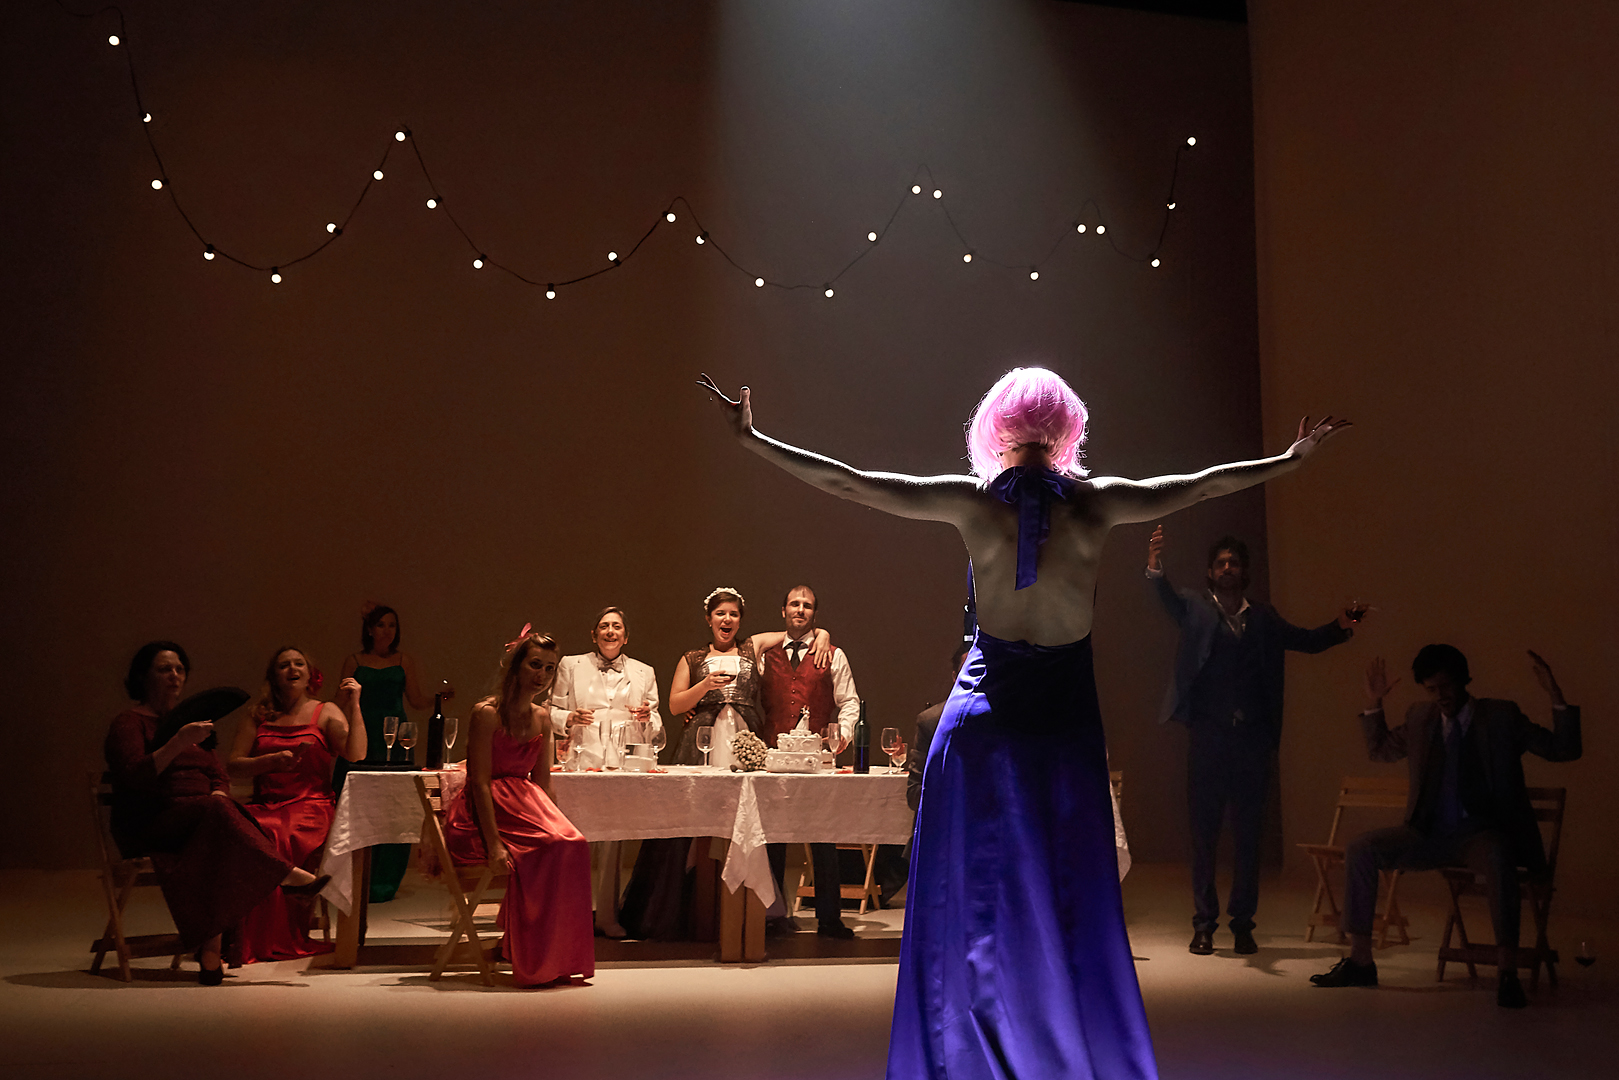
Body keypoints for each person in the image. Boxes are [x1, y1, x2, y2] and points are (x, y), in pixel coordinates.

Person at [699, 367, 1348, 1080]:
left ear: (997, 432)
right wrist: (1286, 462)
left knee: (974, 895)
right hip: (1061, 719)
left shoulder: (974, 504)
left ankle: (968, 1051)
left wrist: (754, 440)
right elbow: (1199, 484)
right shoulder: (1096, 504)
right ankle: (1058, 1047)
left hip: (984, 721)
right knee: (1067, 891)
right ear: (1065, 431)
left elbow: (854, 482)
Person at [1311, 646, 1580, 1008]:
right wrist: (1374, 703)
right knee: (1361, 848)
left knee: (1499, 855)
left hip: (1480, 833)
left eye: (1446, 687)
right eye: (1431, 689)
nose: (1440, 697)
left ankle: (1507, 972)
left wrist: (1555, 694)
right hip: (1428, 833)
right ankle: (1361, 961)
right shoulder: (1421, 717)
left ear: (1463, 682)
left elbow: (1562, 749)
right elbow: (1381, 751)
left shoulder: (1500, 717)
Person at [1147, 526, 1361, 956]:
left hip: (1251, 744)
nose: (1228, 569)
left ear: (1243, 572)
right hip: (1208, 740)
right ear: (1210, 571)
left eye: (1234, 563)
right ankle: (1204, 924)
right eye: (1221, 563)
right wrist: (1154, 565)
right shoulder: (1195, 608)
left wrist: (1342, 626)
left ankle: (1243, 924)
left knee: (1248, 838)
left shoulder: (1262, 618)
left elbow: (1305, 640)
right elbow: (1167, 598)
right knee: (1204, 836)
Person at [104, 641, 328, 985]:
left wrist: (220, 794)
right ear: (142, 676)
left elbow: (218, 774)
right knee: (216, 815)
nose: (175, 676)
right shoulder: (129, 723)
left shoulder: (190, 725)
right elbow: (134, 776)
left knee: (218, 829)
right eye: (165, 669)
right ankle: (285, 875)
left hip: (200, 819)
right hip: (152, 820)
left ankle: (210, 955)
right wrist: (178, 742)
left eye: (179, 669)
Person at [618, 588, 812, 939]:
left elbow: (794, 633)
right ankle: (690, 905)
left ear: (740, 620)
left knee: (749, 822)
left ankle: (753, 908)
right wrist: (704, 685)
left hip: (745, 742)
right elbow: (676, 705)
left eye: (733, 614)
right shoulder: (692, 658)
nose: (727, 620)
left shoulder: (751, 648)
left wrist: (824, 634)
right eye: (720, 614)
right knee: (692, 822)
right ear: (709, 619)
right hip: (703, 742)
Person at [443, 629, 594, 987]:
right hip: (485, 809)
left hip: (524, 802)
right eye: (535, 665)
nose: (541, 674)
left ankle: (552, 956)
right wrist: (494, 843)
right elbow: (478, 780)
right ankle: (524, 951)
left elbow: (543, 782)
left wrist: (555, 819)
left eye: (550, 668)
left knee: (572, 844)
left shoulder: (542, 717)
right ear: (516, 666)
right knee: (552, 846)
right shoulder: (488, 713)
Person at [228, 647, 366, 965]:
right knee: (246, 828)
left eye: (299, 663)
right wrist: (270, 762)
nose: (292, 668)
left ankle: (278, 936)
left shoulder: (326, 711)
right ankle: (243, 936)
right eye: (283, 664)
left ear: (310, 675)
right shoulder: (258, 714)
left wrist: (356, 704)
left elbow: (356, 753)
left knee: (277, 831)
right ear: (273, 676)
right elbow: (233, 765)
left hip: (311, 804)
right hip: (267, 802)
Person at [549, 606, 665, 938]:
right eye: (604, 626)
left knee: (613, 839)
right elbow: (552, 709)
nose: (610, 631)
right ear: (594, 634)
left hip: (622, 760)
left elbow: (655, 721)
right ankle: (571, 914)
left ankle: (607, 914)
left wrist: (646, 718)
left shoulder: (644, 671)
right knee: (574, 839)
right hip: (582, 757)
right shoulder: (571, 665)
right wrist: (568, 719)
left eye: (616, 626)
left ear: (626, 636)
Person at [758, 585, 860, 938]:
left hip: (817, 760)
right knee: (772, 839)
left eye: (807, 606)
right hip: (773, 758)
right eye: (794, 604)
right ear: (783, 610)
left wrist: (842, 733)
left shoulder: (834, 654)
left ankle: (829, 918)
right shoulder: (765, 653)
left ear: (815, 614)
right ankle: (773, 916)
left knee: (823, 836)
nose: (800, 610)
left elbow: (849, 701)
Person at [338, 602, 451, 903]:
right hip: (364, 733)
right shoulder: (354, 660)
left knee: (395, 804)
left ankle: (386, 881)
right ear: (370, 630)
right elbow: (340, 701)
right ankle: (357, 875)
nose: (387, 631)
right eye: (382, 625)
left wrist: (437, 698)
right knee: (363, 804)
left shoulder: (404, 660)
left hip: (396, 736)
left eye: (392, 625)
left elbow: (415, 699)